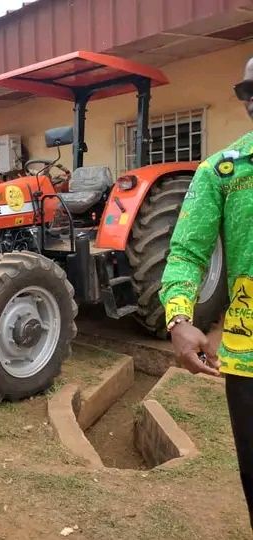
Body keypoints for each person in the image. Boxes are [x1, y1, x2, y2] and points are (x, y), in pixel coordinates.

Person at [160, 56, 253, 528]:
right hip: (248, 357)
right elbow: (187, 253)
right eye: (249, 92)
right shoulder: (222, 172)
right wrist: (178, 318)